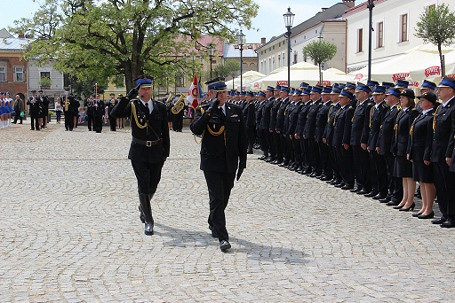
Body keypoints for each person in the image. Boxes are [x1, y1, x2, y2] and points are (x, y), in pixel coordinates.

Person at [190, 78, 247, 252]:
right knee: (217, 197)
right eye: (219, 93)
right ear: (211, 94)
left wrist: (243, 160)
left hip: (229, 161)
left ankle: (213, 221)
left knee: (225, 196)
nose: (223, 95)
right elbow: (196, 129)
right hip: (211, 162)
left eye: (224, 92)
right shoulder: (203, 110)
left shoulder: (235, 110)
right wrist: (209, 111)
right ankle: (223, 237)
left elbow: (242, 137)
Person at [110, 75, 170, 235]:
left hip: (157, 151)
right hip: (139, 151)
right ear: (138, 91)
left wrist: (166, 152)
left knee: (154, 184)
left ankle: (143, 205)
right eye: (143, 89)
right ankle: (149, 220)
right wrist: (127, 97)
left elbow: (165, 131)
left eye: (149, 88)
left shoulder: (160, 107)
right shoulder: (133, 105)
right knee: (143, 184)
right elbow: (114, 114)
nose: (147, 91)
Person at [407, 92, 437, 219]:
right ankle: (424, 206)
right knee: (421, 180)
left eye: (423, 100)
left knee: (427, 181)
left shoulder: (431, 117)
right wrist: (410, 151)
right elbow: (412, 135)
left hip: (424, 152)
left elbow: (429, 139)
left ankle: (429, 208)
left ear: (430, 103)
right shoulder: (421, 116)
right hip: (417, 152)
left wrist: (426, 155)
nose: (420, 102)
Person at [431, 77, 455, 228]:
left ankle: (452, 215)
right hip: (437, 151)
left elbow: (453, 133)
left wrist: (449, 153)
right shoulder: (441, 108)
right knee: (440, 184)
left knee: (449, 185)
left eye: (441, 89)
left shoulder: (453, 108)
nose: (438, 91)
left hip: (446, 152)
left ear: (451, 90)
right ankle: (444, 212)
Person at [391, 89, 419, 210]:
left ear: (409, 99)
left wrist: (409, 150)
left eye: (403, 98)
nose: (401, 100)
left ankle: (410, 200)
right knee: (403, 175)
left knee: (409, 175)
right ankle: (405, 198)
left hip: (406, 147)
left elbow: (410, 133)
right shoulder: (402, 112)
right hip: (400, 147)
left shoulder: (412, 113)